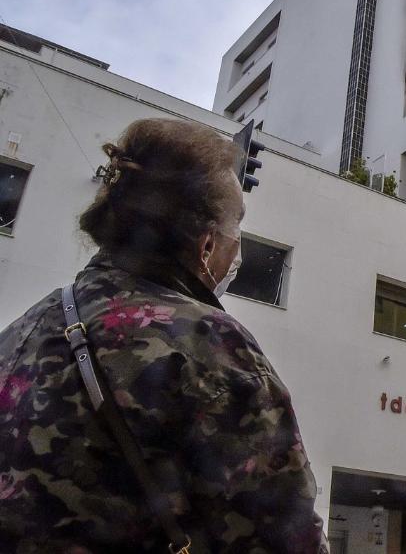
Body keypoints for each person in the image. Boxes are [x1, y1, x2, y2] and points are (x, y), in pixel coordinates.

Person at [0, 118, 325, 552]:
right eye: (237, 226)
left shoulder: (21, 330)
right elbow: (287, 537)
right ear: (207, 245)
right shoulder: (208, 343)